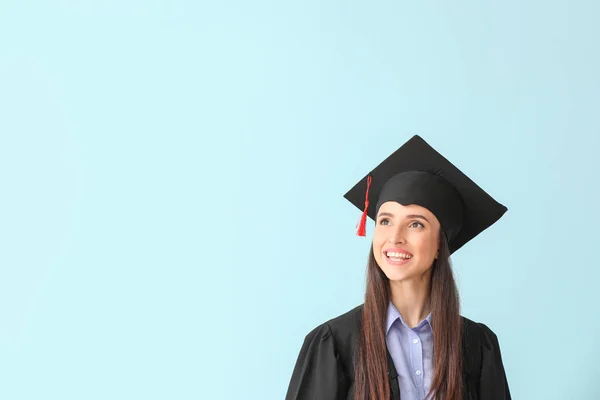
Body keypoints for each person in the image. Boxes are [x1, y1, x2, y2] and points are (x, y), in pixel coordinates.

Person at [285, 135, 512, 400]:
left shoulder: (477, 346)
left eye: (416, 224)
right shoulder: (334, 343)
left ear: (441, 244)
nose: (395, 237)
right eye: (385, 221)